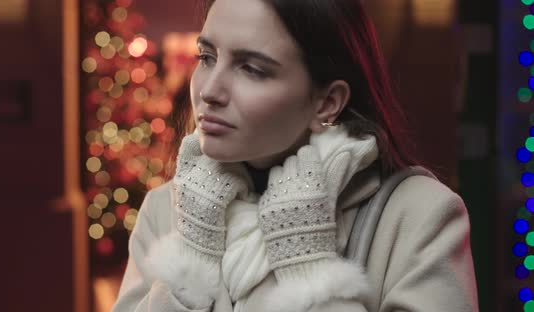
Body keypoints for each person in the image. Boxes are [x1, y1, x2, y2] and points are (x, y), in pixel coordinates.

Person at [112, 0, 479, 311]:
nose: (209, 89)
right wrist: (189, 267)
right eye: (207, 56)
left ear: (327, 102)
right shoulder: (170, 210)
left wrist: (309, 272)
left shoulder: (418, 216)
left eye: (251, 69)